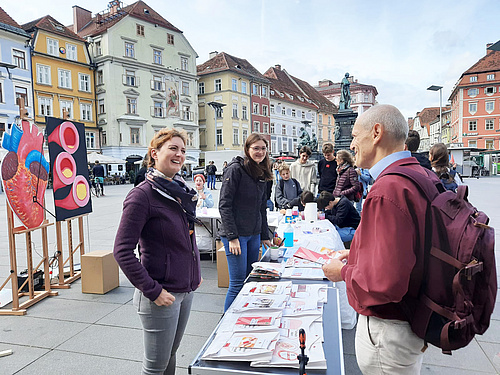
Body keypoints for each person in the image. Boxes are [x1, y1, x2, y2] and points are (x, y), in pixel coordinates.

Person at [322, 104, 430, 374]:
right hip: (412, 318)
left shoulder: (388, 188)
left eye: (356, 136)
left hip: (388, 330)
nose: (352, 143)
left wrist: (344, 272)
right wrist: (358, 253)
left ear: (377, 132)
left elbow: (387, 283)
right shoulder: (418, 174)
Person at [113, 128, 202, 375]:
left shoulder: (180, 192)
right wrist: (153, 291)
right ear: (155, 153)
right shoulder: (142, 195)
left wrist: (194, 272)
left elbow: (187, 235)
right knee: (155, 368)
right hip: (160, 294)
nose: (179, 154)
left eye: (183, 150)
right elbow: (121, 250)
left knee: (169, 357)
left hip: (184, 289)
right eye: (172, 148)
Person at [219, 133, 273, 311]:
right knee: (236, 283)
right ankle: (225, 324)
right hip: (237, 235)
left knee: (251, 279)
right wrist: (232, 237)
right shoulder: (235, 169)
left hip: (254, 233)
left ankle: (243, 317)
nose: (260, 152)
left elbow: (261, 208)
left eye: (263, 148)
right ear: (247, 149)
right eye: (256, 148)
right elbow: (224, 205)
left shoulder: (263, 171)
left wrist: (265, 235)